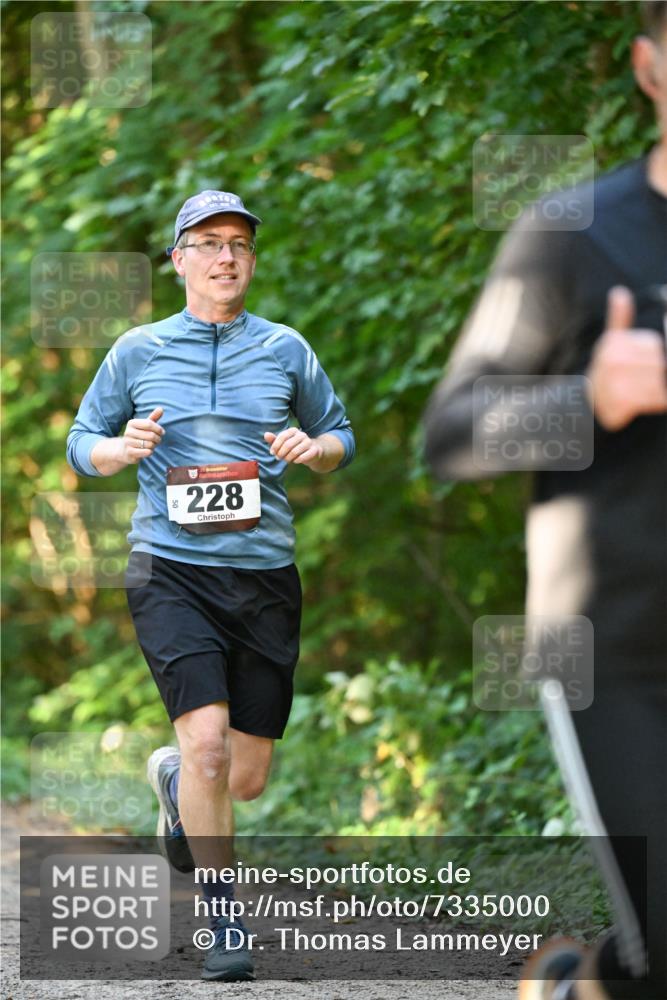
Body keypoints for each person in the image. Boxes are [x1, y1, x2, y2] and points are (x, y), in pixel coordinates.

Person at [423, 4, 666, 1000]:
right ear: (651, 69)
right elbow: (448, 432)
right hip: (612, 649)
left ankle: (592, 983)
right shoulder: (573, 232)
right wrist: (587, 397)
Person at [66, 189, 355, 981]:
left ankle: (169, 780)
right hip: (170, 570)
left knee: (247, 776)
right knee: (207, 748)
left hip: (263, 576)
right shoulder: (139, 350)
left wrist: (314, 449)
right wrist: (118, 452)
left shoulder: (285, 349)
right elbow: (79, 441)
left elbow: (340, 435)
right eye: (210, 243)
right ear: (179, 260)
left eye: (240, 245)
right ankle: (224, 918)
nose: (227, 257)